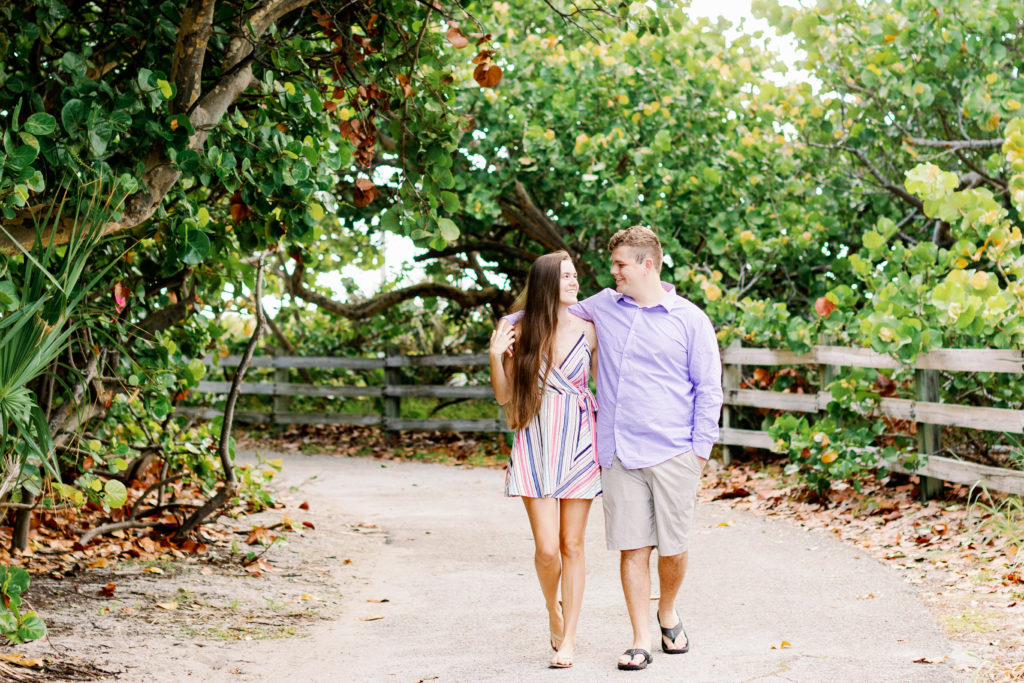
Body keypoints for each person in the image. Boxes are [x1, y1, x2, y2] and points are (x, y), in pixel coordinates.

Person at [569, 225, 723, 671]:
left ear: (647, 265)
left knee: (673, 548)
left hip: (675, 453)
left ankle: (667, 611)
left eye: (620, 265)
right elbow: (554, 313)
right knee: (632, 547)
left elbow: (708, 390)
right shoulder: (603, 306)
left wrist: (698, 453)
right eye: (613, 264)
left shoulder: (690, 319)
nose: (612, 272)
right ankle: (640, 639)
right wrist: (511, 322)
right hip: (619, 453)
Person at [489, 251, 600, 669]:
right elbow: (504, 396)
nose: (574, 281)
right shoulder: (519, 330)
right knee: (547, 548)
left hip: (579, 440)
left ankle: (569, 637)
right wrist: (495, 356)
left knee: (573, 545)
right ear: (546, 283)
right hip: (535, 439)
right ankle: (551, 609)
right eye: (565, 276)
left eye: (574, 275)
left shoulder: (590, 330)